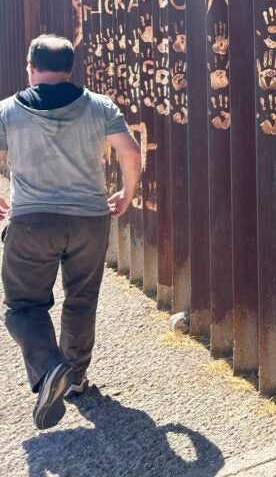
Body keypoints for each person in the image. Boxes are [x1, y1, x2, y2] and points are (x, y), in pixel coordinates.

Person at [0, 35, 141, 430]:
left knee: (24, 306)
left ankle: (50, 368)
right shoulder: (99, 106)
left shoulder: (8, 111)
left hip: (31, 222)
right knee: (81, 299)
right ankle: (75, 378)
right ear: (70, 68)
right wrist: (128, 194)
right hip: (89, 220)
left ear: (30, 66)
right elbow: (130, 153)